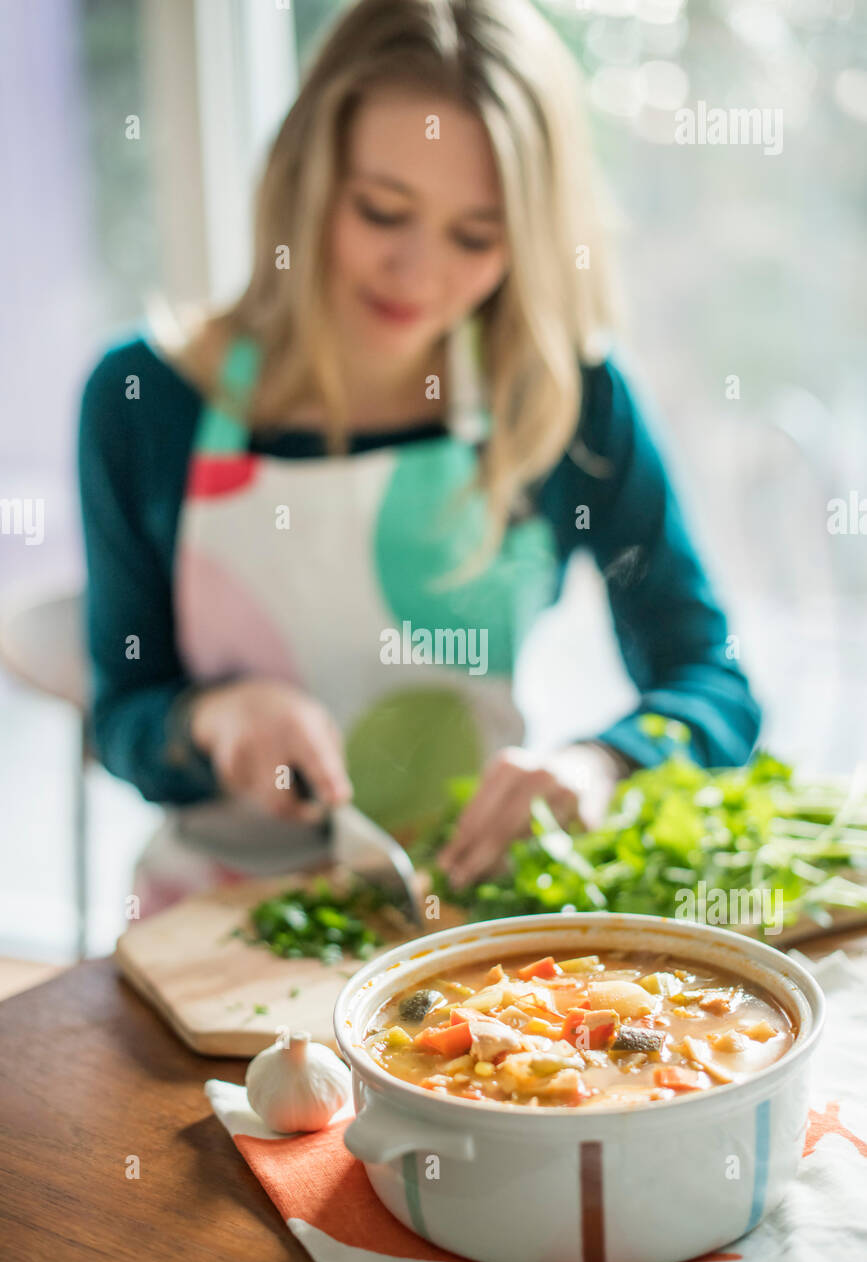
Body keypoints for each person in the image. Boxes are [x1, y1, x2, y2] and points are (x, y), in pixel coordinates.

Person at [78, 0, 760, 919]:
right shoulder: (146, 399)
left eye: (475, 237)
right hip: (216, 927)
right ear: (306, 180)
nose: (417, 271)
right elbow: (124, 713)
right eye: (380, 210)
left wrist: (602, 761)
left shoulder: (567, 400)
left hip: (470, 922)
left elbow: (710, 683)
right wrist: (213, 716)